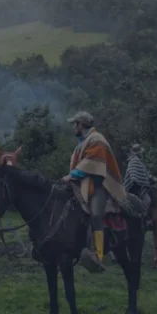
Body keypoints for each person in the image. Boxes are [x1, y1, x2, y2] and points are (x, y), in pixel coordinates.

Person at [62, 111, 127, 273]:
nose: (72, 127)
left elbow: (91, 164)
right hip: (84, 183)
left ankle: (98, 254)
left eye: (74, 124)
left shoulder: (96, 139)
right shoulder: (83, 141)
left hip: (99, 186)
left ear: (81, 125)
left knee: (96, 215)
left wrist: (71, 176)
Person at [123, 143, 157, 228]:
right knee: (148, 199)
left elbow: (144, 174)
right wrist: (145, 182)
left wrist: (151, 178)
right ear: (138, 152)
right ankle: (143, 216)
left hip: (138, 185)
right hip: (135, 188)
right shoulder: (135, 160)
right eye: (140, 152)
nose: (141, 153)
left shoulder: (137, 160)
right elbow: (134, 176)